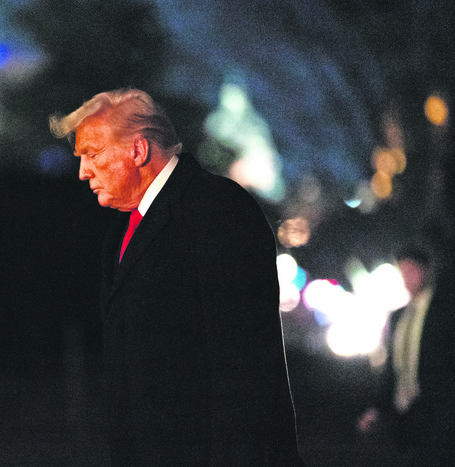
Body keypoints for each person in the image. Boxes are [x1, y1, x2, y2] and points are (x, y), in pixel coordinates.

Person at [50, 88, 303, 465]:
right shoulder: (120, 232)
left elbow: (243, 368)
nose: (83, 170)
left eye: (93, 153)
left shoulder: (218, 211)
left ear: (138, 150)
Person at [357, 245, 455, 464]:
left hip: (438, 411)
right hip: (405, 414)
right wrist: (377, 408)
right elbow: (394, 368)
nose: (407, 278)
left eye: (412, 271)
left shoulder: (445, 309)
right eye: (403, 272)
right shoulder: (399, 316)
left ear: (426, 271)